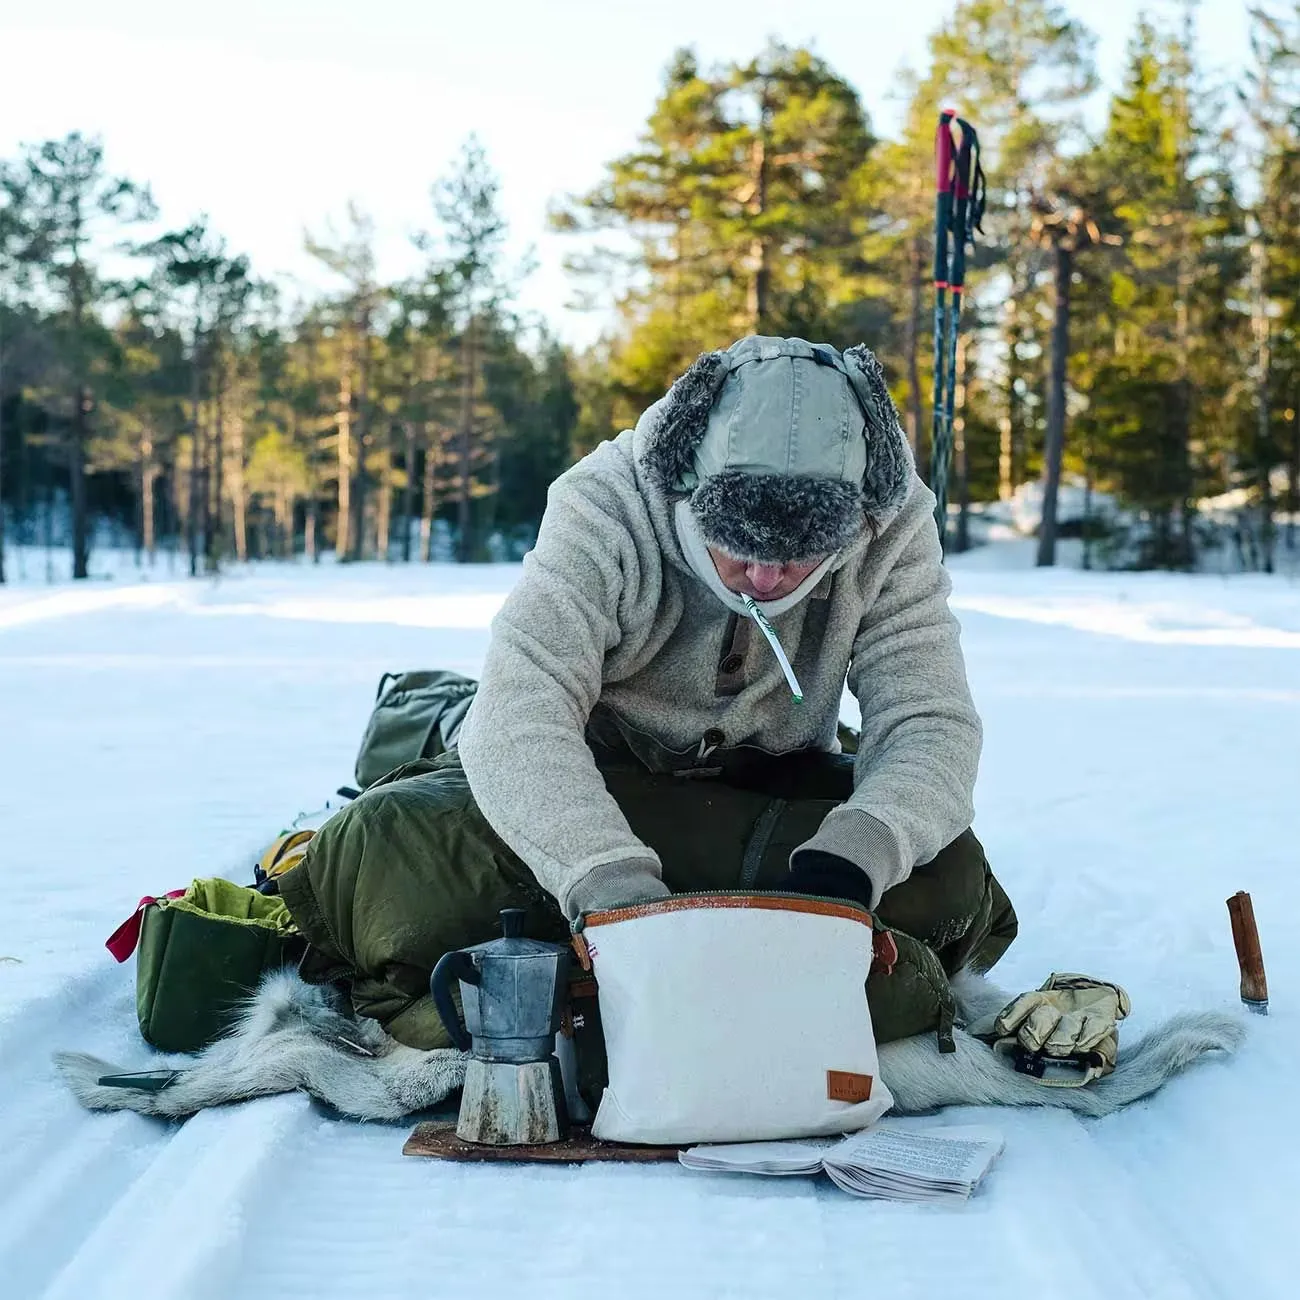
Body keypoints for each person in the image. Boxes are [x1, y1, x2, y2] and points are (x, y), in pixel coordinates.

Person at [278, 336, 1017, 1051]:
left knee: (950, 877)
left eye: (797, 559)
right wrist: (612, 887)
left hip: (764, 794)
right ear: (690, 488)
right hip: (596, 774)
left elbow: (930, 722)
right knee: (386, 852)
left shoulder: (891, 523)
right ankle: (431, 715)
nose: (764, 581)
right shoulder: (606, 502)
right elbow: (521, 719)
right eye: (741, 547)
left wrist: (850, 863)